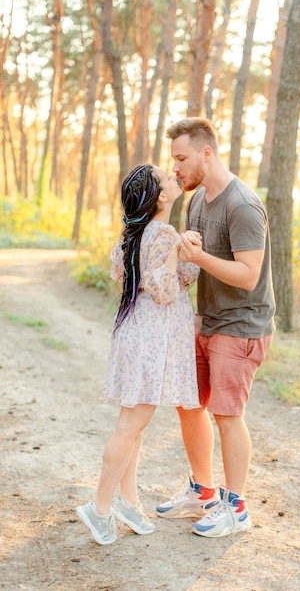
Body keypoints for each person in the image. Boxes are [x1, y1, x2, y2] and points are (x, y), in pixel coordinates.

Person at [156, 117, 276, 538]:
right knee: (189, 404)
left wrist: (200, 259)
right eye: (174, 159)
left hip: (241, 325)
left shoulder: (241, 204)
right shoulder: (198, 200)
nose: (175, 168)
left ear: (207, 152)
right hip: (204, 321)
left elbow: (247, 274)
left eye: (182, 158)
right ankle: (203, 492)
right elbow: (193, 261)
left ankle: (236, 507)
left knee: (227, 415)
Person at [76, 163, 205, 545]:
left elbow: (127, 271)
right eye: (167, 176)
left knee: (135, 425)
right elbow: (165, 289)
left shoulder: (138, 232)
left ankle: (128, 502)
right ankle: (99, 507)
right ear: (162, 196)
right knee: (130, 426)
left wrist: (186, 251)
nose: (173, 174)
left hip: (136, 335)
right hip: (150, 341)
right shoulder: (163, 232)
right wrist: (175, 253)